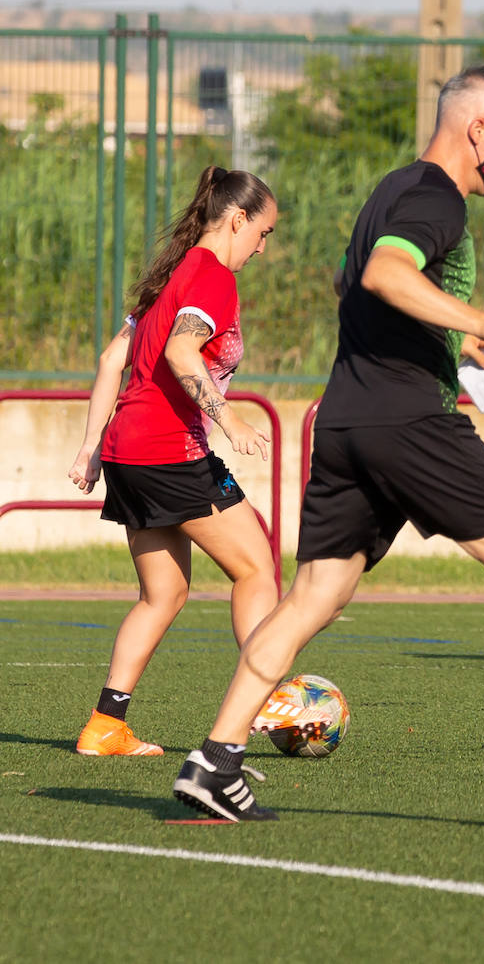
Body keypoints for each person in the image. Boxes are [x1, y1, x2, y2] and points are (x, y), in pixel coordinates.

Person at [172, 64, 484, 821]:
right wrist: (481, 321)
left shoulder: (392, 187)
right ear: (477, 131)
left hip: (345, 421)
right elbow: (385, 275)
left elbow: (358, 291)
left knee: (314, 593)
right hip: (407, 421)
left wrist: (452, 344)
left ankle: (215, 760)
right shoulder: (438, 198)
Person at [67, 165, 278, 756]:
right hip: (168, 451)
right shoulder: (212, 276)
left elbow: (113, 359)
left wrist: (90, 448)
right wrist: (229, 418)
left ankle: (106, 725)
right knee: (256, 569)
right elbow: (186, 350)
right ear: (237, 219)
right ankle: (260, 703)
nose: (262, 248)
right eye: (263, 233)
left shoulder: (172, 276)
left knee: (162, 595)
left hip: (125, 452)